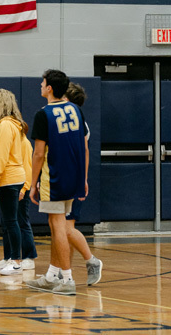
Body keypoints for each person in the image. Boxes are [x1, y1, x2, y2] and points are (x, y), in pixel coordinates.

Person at [27, 70, 88, 296]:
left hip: (53, 177)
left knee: (58, 225)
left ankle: (67, 279)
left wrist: (33, 183)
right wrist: (82, 177)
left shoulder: (43, 115)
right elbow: (83, 146)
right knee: (58, 225)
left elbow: (39, 154)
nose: (40, 86)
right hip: (72, 176)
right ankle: (52, 275)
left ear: (50, 88)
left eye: (42, 83)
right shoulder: (76, 110)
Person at [64, 82, 103, 286]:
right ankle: (64, 271)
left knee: (66, 228)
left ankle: (91, 260)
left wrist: (82, 179)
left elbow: (84, 153)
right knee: (62, 229)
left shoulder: (77, 121)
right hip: (65, 178)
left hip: (71, 179)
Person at [0, 89, 28, 277]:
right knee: (7, 221)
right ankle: (9, 257)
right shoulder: (9, 125)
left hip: (10, 178)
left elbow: (1, 157)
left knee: (11, 221)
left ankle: (16, 261)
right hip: (8, 178)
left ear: (1, 103)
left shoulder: (5, 126)